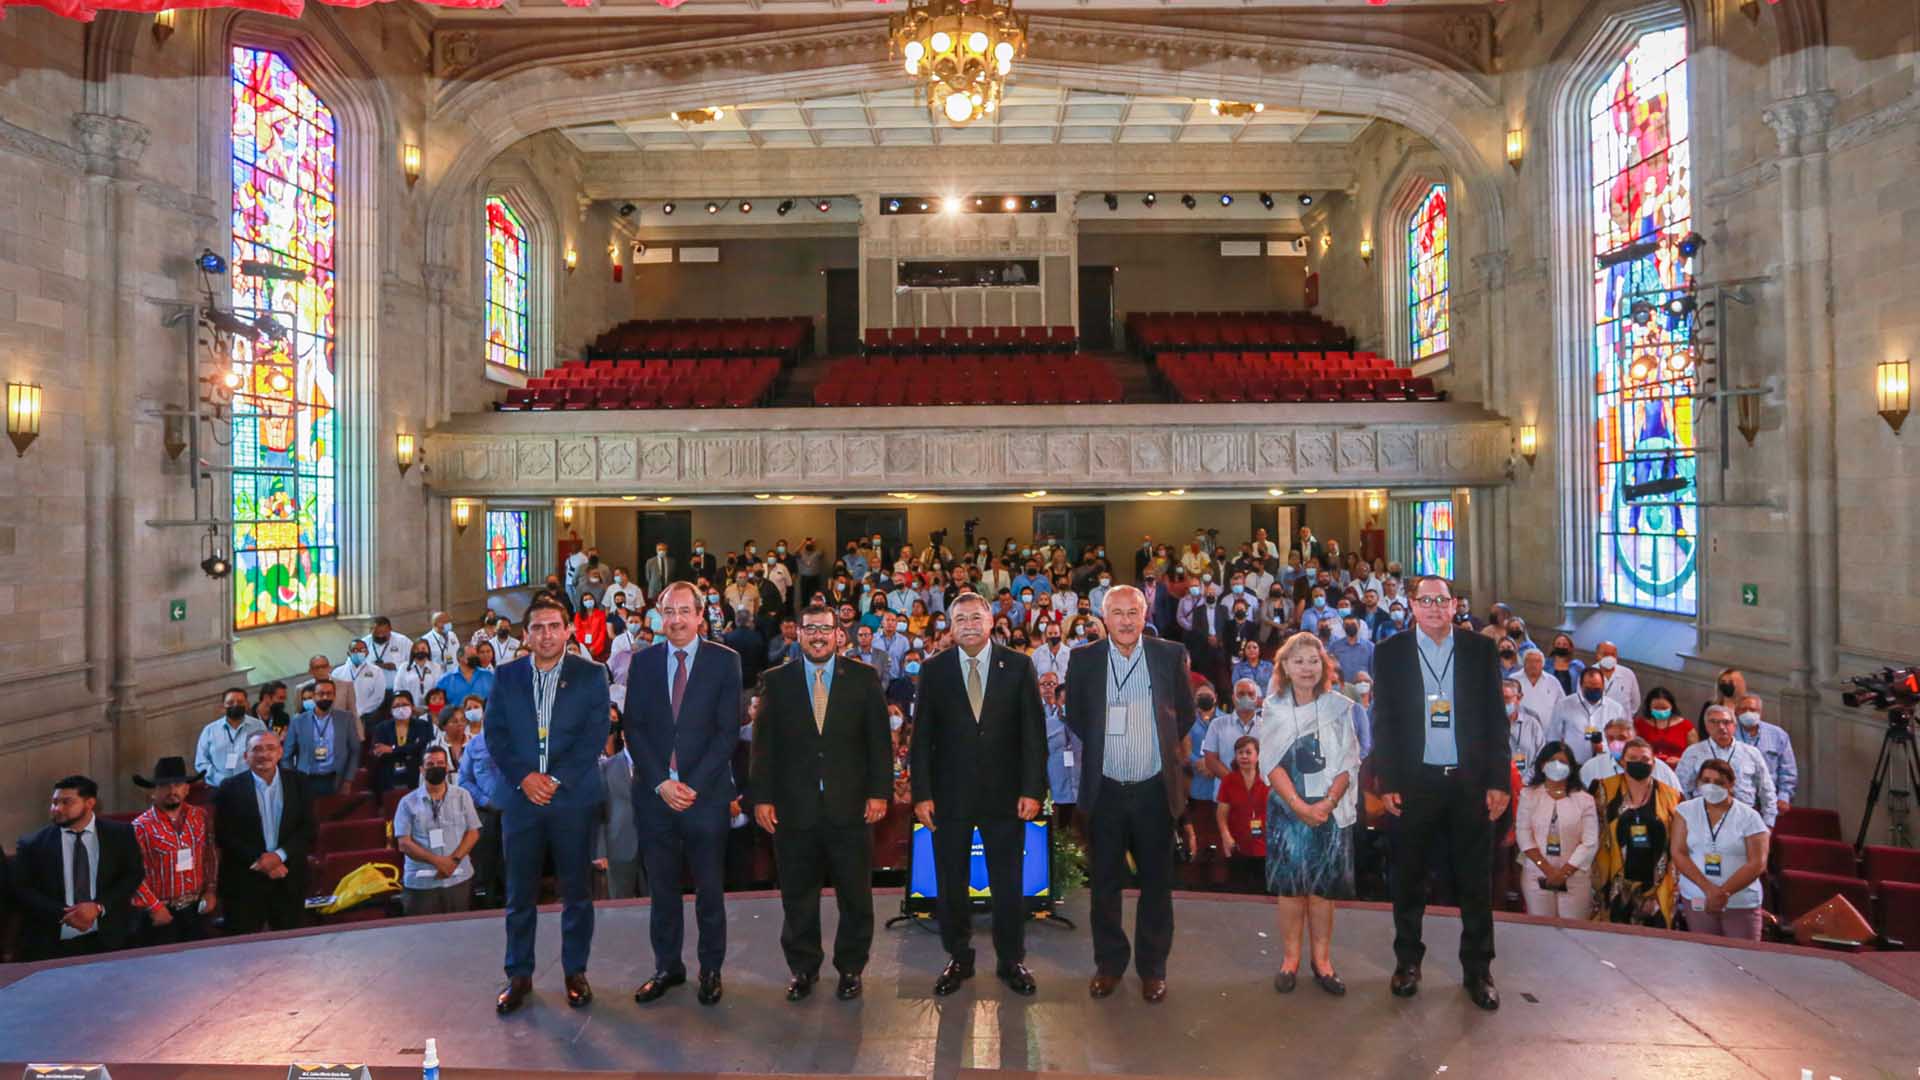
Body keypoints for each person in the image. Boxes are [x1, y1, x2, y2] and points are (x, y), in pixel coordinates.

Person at [1372, 575, 1507, 1011]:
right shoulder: (1390, 653)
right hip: (1415, 783)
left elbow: (1495, 719)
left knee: (1474, 880)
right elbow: (1384, 721)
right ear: (1411, 605)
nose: (1433, 607)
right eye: (1424, 600)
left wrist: (1499, 780)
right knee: (1408, 879)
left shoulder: (1479, 650)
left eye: (1441, 600)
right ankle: (1407, 962)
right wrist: (1387, 780)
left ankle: (1478, 970)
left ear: (1455, 606)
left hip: (1468, 783)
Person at [751, 603, 891, 1002]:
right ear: (798, 633)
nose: (816, 636)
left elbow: (879, 743)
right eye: (809, 629)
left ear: (838, 635)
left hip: (851, 809)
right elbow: (764, 748)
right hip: (794, 811)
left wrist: (879, 791)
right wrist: (762, 798)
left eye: (824, 630)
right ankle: (803, 968)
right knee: (797, 896)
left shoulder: (864, 679)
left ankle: (850, 968)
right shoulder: (776, 681)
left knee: (855, 896)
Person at [1062, 585, 1196, 1004]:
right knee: (1105, 885)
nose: (1125, 620)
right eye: (1116, 613)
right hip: (1106, 792)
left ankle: (1153, 969)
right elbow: (1078, 718)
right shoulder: (1083, 660)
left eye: (1132, 612)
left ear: (1144, 614)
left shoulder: (1169, 655)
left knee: (1158, 886)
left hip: (1155, 790)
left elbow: (1184, 715)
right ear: (1103, 618)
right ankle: (1109, 965)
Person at [911, 591, 1048, 998]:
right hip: (949, 798)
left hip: (1006, 797)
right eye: (960, 620)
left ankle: (1011, 959)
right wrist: (921, 793)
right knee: (951, 881)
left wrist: (1032, 789)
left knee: (1009, 881)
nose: (969, 625)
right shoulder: (934, 670)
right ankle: (958, 957)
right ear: (950, 627)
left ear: (991, 623)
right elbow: (922, 740)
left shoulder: (1019, 666)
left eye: (975, 618)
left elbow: (1033, 736)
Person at [489, 594, 609, 1014]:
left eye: (553, 626)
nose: (545, 634)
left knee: (576, 891)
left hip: (572, 799)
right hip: (522, 800)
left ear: (568, 630)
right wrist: (525, 778)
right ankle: (518, 974)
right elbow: (496, 737)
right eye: (537, 627)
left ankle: (575, 972)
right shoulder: (506, 677)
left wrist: (555, 779)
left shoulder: (591, 675)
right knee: (519, 893)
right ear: (525, 635)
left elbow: (594, 736)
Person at [629, 582, 744, 1007]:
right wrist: (662, 782)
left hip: (705, 796)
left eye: (684, 611)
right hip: (655, 796)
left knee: (710, 889)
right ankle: (667, 968)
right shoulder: (643, 664)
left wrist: (690, 785)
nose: (676, 620)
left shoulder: (724, 661)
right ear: (659, 616)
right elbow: (633, 729)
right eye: (668, 612)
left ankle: (710, 970)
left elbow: (727, 732)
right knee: (662, 890)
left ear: (700, 616)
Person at [1259, 631, 1362, 996]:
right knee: (1290, 890)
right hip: (1289, 812)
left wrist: (1328, 803)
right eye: (1298, 661)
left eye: (1313, 661)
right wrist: (1300, 807)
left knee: (1322, 891)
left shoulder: (1339, 706)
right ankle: (1290, 960)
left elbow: (1350, 760)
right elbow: (1270, 764)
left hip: (1328, 812)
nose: (1306, 668)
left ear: (1324, 667)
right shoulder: (1273, 709)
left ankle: (1323, 961)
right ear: (1285, 666)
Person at [12, 775, 145, 961]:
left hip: (110, 940)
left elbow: (133, 875)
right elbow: (23, 890)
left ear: (89, 803)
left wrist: (99, 907)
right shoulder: (33, 844)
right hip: (53, 944)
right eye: (54, 802)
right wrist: (66, 914)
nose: (57, 809)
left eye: (66, 802)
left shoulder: (120, 834)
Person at [213, 729, 316, 934]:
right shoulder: (229, 788)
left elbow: (309, 828)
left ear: (280, 752)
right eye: (256, 749)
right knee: (243, 953)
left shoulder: (299, 782)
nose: (264, 754)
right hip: (245, 880)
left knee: (291, 949)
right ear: (246, 756)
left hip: (289, 877)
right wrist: (262, 861)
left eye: (270, 748)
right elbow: (224, 834)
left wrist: (278, 856)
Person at [1670, 758, 1771, 941]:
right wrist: (1708, 890)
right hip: (1698, 896)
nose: (1711, 786)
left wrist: (1723, 893)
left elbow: (1758, 862)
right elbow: (1679, 852)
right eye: (1706, 781)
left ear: (1731, 785)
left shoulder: (1750, 816)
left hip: (1740, 901)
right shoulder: (1685, 811)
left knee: (1744, 959)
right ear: (1698, 782)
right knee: (1703, 957)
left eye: (1719, 782)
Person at [1591, 736, 1680, 928]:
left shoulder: (1671, 795)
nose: (1639, 763)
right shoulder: (1604, 789)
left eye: (1644, 759)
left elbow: (1677, 841)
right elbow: (1596, 834)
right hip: (1616, 881)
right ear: (1622, 761)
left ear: (1653, 762)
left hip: (1657, 882)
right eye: (1633, 758)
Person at [130, 757, 219, 947]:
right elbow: (133, 874)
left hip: (195, 908)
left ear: (187, 789)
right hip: (160, 911)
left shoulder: (200, 816)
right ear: (153, 792)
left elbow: (209, 856)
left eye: (178, 784)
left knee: (199, 963)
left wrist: (211, 890)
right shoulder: (140, 827)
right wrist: (154, 907)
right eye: (164, 786)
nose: (172, 791)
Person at [1513, 741, 1599, 920]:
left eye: (1563, 762)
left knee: (1574, 931)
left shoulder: (1585, 800)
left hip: (1575, 879)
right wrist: (1547, 870)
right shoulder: (1529, 795)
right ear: (1543, 765)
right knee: (1540, 930)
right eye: (1552, 760)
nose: (1557, 765)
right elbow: (1523, 834)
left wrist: (1564, 872)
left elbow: (1589, 842)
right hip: (1536, 876)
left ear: (1571, 768)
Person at [393, 745, 482, 916]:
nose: (436, 767)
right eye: (430, 764)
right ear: (421, 769)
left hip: (458, 877)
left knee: (461, 933)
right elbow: (404, 843)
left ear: (447, 767)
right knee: (422, 937)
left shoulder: (463, 796)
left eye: (440, 763)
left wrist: (453, 861)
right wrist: (438, 862)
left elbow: (473, 832)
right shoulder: (407, 802)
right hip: (422, 882)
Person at [1676, 705, 1778, 826]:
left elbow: (1767, 791)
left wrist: (1768, 824)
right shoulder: (1693, 752)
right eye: (1714, 722)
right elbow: (1681, 790)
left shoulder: (1751, 753)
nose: (1721, 727)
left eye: (1726, 722)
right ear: (1707, 726)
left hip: (1743, 820)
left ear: (1734, 726)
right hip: (1703, 820)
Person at [455, 697, 507, 907]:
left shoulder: (521, 742)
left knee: (514, 864)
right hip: (485, 812)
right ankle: (486, 903)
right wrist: (485, 800)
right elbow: (464, 780)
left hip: (514, 812)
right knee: (485, 865)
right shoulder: (474, 745)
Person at [282, 678, 360, 797]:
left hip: (336, 778)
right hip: (306, 779)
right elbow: (286, 756)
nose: (325, 697)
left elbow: (355, 751)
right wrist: (293, 781)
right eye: (321, 694)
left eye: (329, 694)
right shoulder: (298, 721)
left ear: (334, 696)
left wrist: (348, 780)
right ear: (313, 696)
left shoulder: (345, 718)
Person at [1214, 736, 1269, 894]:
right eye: (1240, 753)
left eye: (1248, 752)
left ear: (1258, 756)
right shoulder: (1229, 781)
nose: (1244, 756)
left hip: (1265, 846)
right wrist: (1225, 836)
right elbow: (1221, 813)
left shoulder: (1269, 780)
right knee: (1238, 891)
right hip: (1237, 845)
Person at [1547, 666, 1628, 767]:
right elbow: (1553, 737)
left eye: (1597, 688)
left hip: (1604, 765)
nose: (1593, 691)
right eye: (1589, 688)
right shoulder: (1564, 705)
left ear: (1603, 686)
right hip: (1572, 765)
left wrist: (1603, 748)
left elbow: (1622, 741)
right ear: (1581, 686)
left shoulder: (1616, 709)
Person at [1733, 694, 1797, 818]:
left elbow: (1788, 770)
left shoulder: (1778, 735)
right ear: (1736, 712)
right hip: (1737, 799)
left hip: (1768, 800)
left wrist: (1784, 796)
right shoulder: (1728, 734)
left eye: (1752, 710)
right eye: (1743, 709)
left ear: (1760, 712)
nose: (1748, 713)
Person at [1579, 714, 1682, 790]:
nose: (1616, 743)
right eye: (1610, 738)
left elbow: (1676, 798)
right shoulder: (1592, 767)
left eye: (1622, 738)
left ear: (1634, 739)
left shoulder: (1659, 769)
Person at [194, 687, 269, 788]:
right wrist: (221, 780)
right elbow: (201, 762)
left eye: (240, 702)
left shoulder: (258, 726)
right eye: (230, 702)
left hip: (252, 786)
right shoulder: (209, 730)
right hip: (220, 787)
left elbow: (266, 754)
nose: (235, 705)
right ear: (222, 706)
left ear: (247, 705)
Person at [368, 691, 434, 794]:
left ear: (412, 707)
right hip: (389, 774)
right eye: (396, 705)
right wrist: (406, 750)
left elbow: (419, 747)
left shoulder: (422, 725)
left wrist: (392, 749)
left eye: (405, 704)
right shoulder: (381, 728)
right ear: (390, 710)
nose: (401, 708)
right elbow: (378, 751)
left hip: (415, 774)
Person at [1200, 679, 1263, 781]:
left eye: (1250, 694)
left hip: (1259, 792)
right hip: (1226, 793)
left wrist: (1254, 785)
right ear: (1233, 698)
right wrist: (1236, 783)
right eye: (1241, 694)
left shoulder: (1267, 727)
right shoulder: (1217, 725)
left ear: (1257, 699)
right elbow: (1210, 760)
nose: (1246, 698)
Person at [1634, 686, 1695, 768]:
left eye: (1664, 708)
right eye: (1656, 708)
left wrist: (1680, 761)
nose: (1660, 711)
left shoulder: (1686, 726)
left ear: (1672, 706)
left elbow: (1695, 756)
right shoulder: (1639, 724)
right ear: (1649, 707)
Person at [1502, 678, 1545, 783]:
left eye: (1506, 698)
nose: (1502, 703)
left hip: (1527, 786)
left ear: (1519, 698)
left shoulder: (1532, 724)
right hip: (1497, 789)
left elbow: (1541, 756)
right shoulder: (1489, 724)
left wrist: (1524, 781)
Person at [1592, 642, 1640, 718]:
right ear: (1597, 655)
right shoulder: (1587, 674)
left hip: (1622, 724)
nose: (1609, 657)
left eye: (1613, 654)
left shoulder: (1628, 674)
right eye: (1605, 654)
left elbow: (1635, 703)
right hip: (1596, 724)